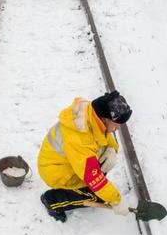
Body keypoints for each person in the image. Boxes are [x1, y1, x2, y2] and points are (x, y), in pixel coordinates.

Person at [37, 91, 133, 222]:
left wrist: (112, 148)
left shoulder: (91, 114)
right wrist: (116, 200)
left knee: (99, 180)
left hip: (68, 162)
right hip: (57, 172)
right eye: (116, 123)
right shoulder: (80, 139)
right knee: (94, 196)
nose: (119, 127)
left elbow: (104, 134)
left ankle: (91, 188)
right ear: (104, 118)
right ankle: (52, 201)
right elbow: (92, 177)